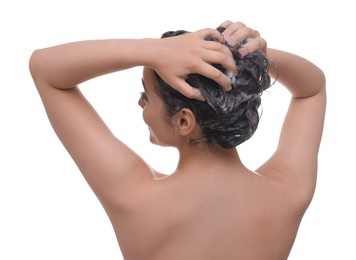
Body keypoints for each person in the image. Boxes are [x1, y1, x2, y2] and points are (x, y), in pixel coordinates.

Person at [29, 20, 326, 260]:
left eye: (146, 95)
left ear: (184, 120)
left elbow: (45, 68)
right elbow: (312, 89)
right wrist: (251, 57)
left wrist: (150, 51)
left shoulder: (135, 197)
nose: (140, 104)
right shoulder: (287, 193)